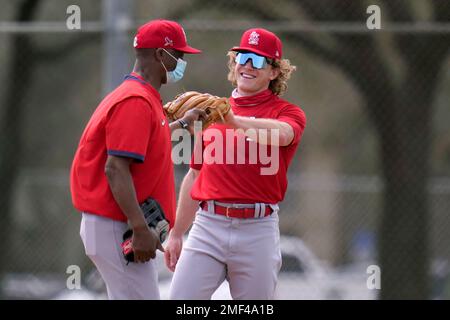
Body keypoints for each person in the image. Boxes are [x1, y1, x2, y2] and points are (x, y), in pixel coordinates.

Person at [164, 28, 307, 299]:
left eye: (259, 60)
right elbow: (195, 176)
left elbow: (284, 134)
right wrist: (176, 233)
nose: (247, 66)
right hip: (208, 224)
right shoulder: (212, 111)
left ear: (274, 72)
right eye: (243, 57)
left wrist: (234, 121)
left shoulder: (287, 113)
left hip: (258, 229)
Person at [70, 19, 205, 300]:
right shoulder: (135, 101)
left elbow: (147, 144)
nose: (181, 62)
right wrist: (139, 228)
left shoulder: (140, 96)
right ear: (160, 54)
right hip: (118, 227)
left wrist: (182, 122)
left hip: (116, 224)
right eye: (178, 55)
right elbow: (116, 168)